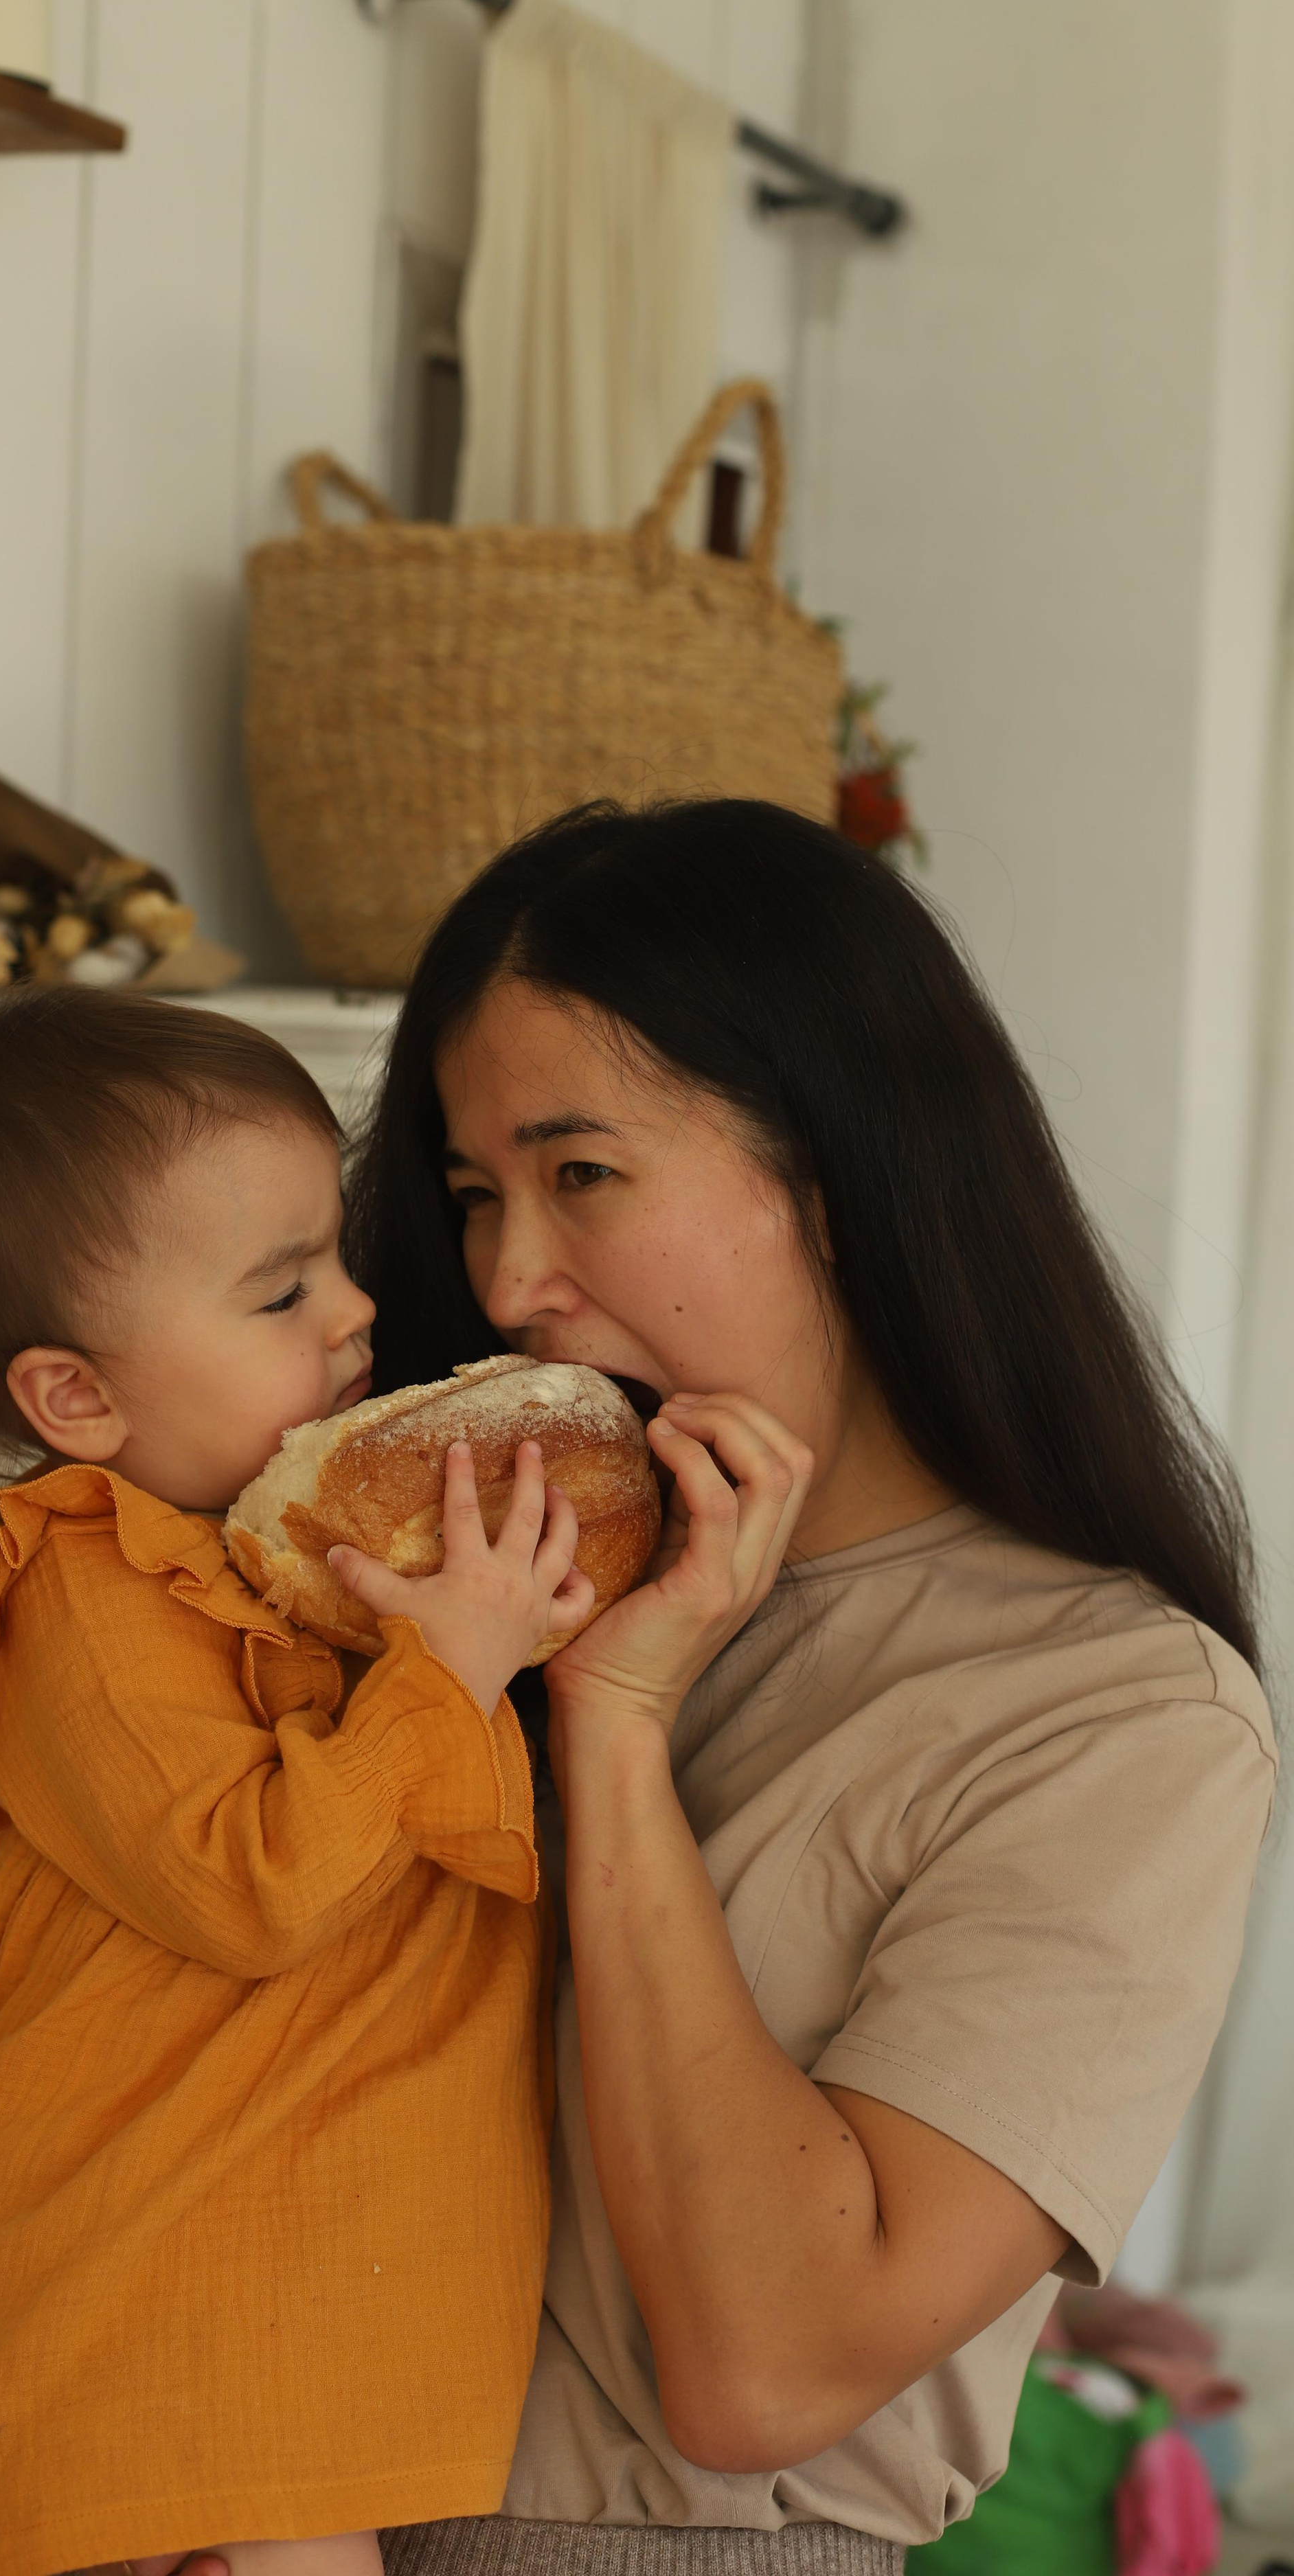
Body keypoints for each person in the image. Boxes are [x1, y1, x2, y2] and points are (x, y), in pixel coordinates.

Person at [336, 799, 1278, 2576]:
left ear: (836, 1187)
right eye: (474, 1196)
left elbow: (763, 2369)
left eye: (581, 1174)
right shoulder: (475, 1583)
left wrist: (615, 1731)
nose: (509, 1281)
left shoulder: (1121, 1716)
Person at [0, 985, 594, 2576]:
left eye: (335, 1260)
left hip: (282, 2277)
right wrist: (445, 1671)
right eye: (276, 1293)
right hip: (157, 2285)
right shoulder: (86, 1598)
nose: (351, 1314)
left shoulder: (282, 1549)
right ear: (74, 1402)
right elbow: (254, 1887)